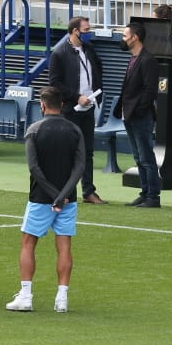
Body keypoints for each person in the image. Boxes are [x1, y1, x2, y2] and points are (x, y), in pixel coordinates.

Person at [7, 87, 85, 314]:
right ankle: (62, 298)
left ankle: (26, 296)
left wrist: (52, 194)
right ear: (61, 105)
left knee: (28, 243)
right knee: (64, 246)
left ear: (42, 105)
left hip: (40, 198)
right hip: (67, 200)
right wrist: (62, 196)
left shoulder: (34, 130)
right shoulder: (75, 130)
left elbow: (34, 168)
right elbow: (80, 167)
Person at [47, 16, 106, 205]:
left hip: (88, 107)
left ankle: (88, 190)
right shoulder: (59, 53)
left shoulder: (89, 49)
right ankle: (65, 191)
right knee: (69, 152)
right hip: (71, 109)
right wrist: (75, 96)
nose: (89, 33)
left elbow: (98, 69)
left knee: (87, 151)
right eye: (86, 30)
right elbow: (54, 83)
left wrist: (94, 94)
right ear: (75, 31)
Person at [116, 21, 161, 208]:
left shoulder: (148, 60)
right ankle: (145, 193)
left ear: (135, 38)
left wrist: (139, 110)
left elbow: (150, 90)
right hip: (130, 114)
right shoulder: (134, 58)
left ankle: (153, 197)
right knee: (138, 157)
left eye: (125, 36)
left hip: (140, 116)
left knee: (146, 158)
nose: (123, 40)